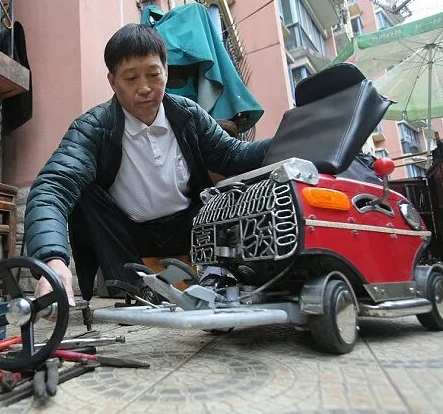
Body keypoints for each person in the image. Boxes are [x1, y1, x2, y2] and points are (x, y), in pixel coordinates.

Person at [26, 23, 271, 305]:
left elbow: (232, 156)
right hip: (128, 238)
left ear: (166, 71)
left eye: (153, 75)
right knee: (84, 195)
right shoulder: (93, 128)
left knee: (228, 193)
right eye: (130, 78)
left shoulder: (189, 115)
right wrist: (51, 263)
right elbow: (51, 188)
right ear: (112, 81)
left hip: (189, 229)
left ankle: (220, 275)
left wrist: (290, 138)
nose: (144, 88)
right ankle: (131, 288)